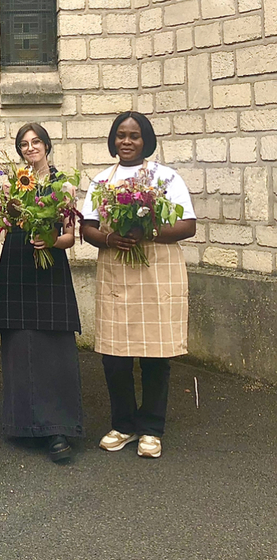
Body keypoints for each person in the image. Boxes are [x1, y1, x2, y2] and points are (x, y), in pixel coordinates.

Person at [82, 111, 196, 459]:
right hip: (117, 268)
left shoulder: (166, 178)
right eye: (120, 135)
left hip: (156, 269)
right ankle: (123, 424)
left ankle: (151, 429)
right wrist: (110, 237)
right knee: (115, 354)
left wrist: (151, 231)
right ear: (113, 140)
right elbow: (88, 227)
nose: (126, 141)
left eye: (134, 135)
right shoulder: (103, 180)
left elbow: (188, 225)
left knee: (155, 355)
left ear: (146, 139)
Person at [0, 123, 83, 462]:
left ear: (47, 146)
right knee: (20, 344)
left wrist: (51, 242)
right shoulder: (11, 184)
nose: (30, 148)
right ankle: (23, 424)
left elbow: (70, 238)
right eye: (24, 144)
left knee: (54, 344)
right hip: (17, 262)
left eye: (36, 142)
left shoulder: (64, 184)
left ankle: (58, 429)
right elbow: (3, 226)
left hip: (50, 266)